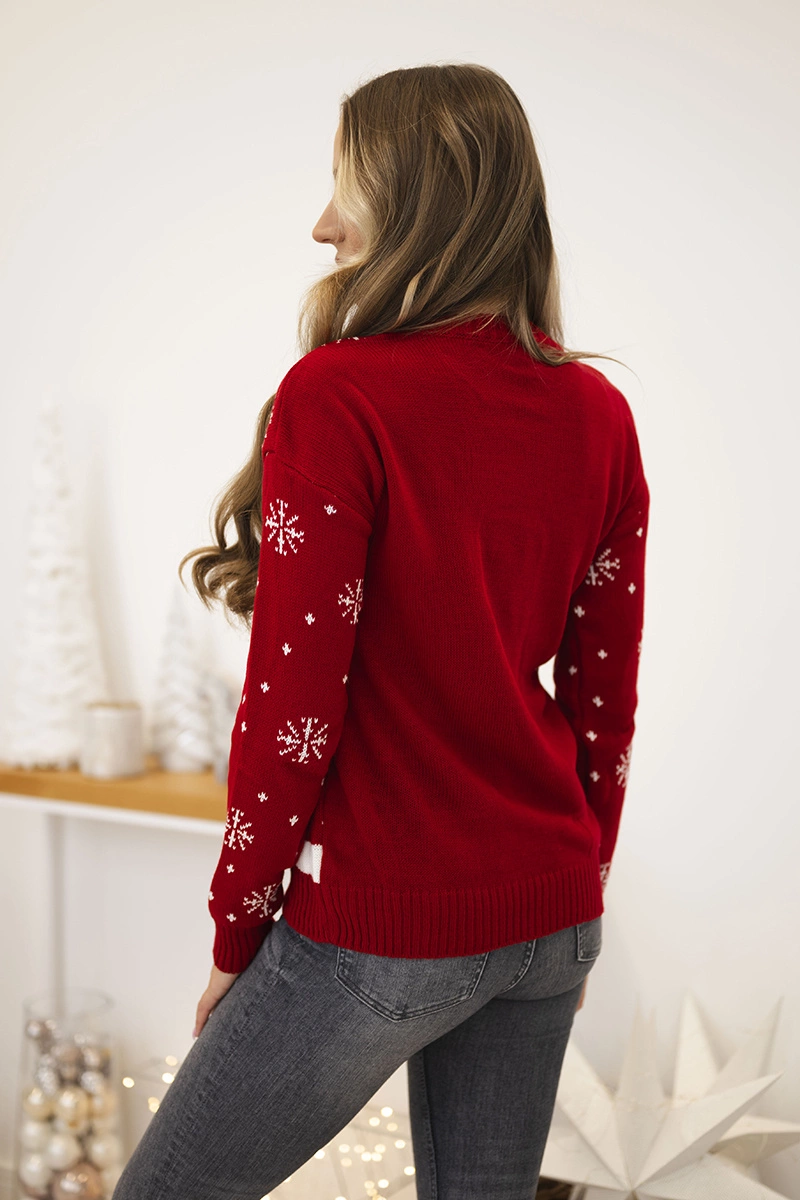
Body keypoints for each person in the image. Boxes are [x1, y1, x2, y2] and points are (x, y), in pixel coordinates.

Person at [112, 62, 649, 1200]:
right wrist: (579, 891)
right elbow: (605, 699)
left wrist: (236, 934)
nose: (321, 225)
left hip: (383, 928)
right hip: (549, 914)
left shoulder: (340, 396)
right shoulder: (598, 413)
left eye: (344, 187)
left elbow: (294, 709)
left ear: (414, 203)